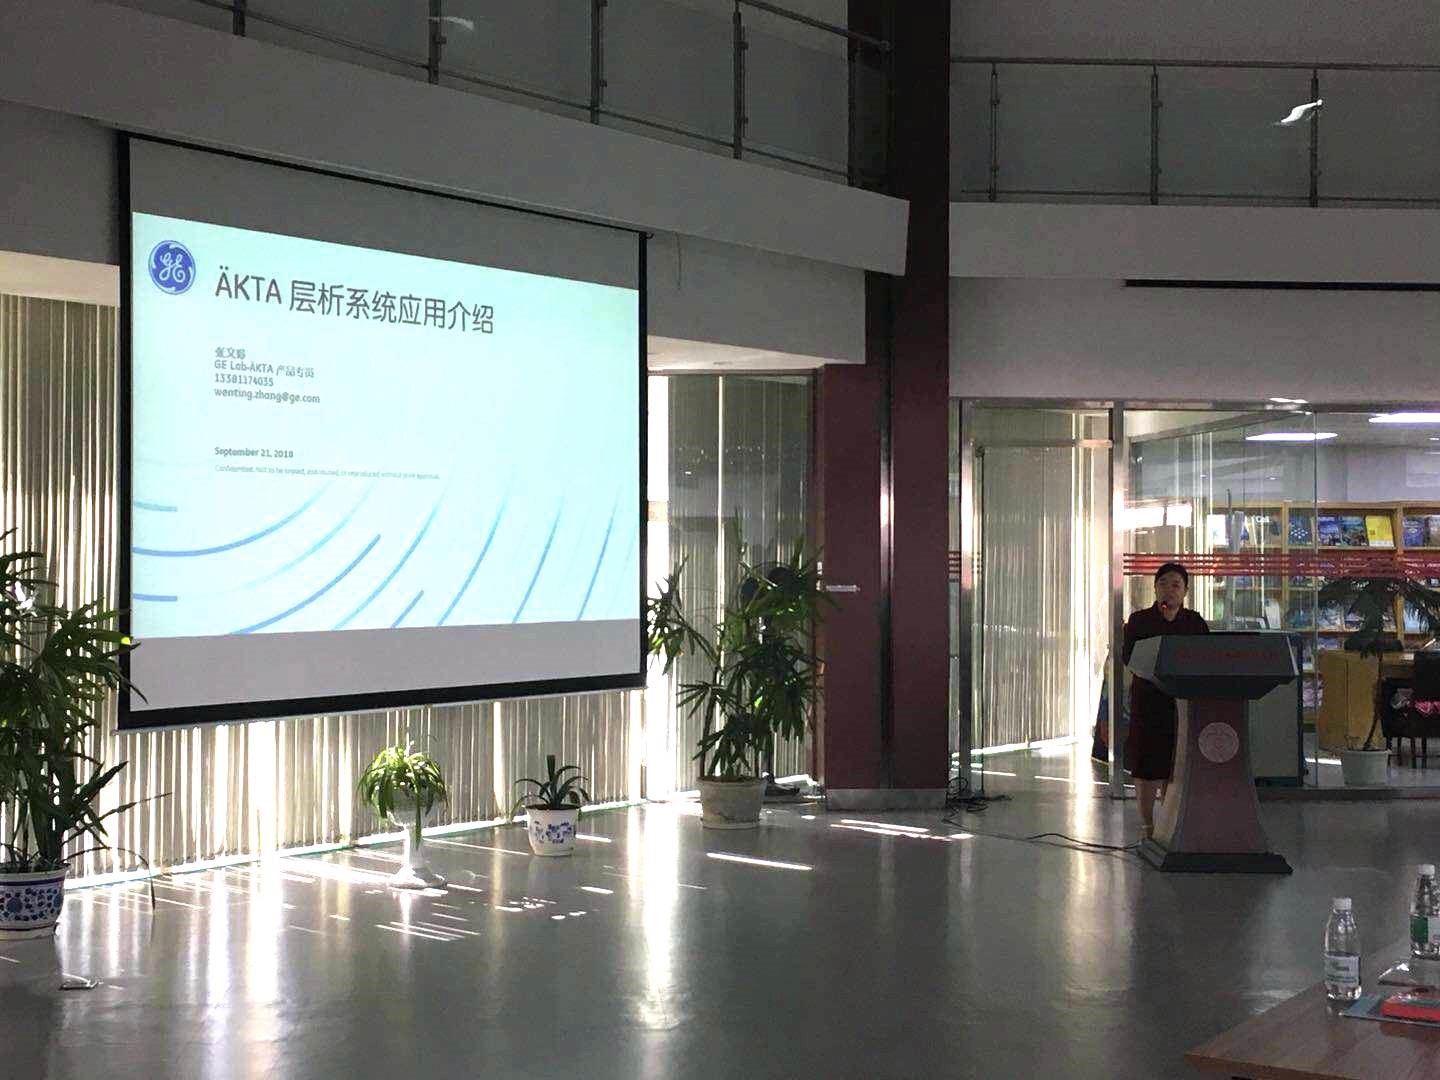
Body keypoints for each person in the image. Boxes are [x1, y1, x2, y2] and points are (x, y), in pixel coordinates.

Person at [1122, 562, 1209, 840]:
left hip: (1181, 703)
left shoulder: (1194, 623)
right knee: (1147, 764)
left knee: (1176, 763)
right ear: (1155, 588)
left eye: (1175, 585)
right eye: (1163, 584)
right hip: (1148, 702)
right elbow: (1129, 657)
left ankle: (1170, 824)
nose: (1169, 590)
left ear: (1185, 591)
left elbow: (1207, 657)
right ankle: (1148, 826)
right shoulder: (1140, 621)